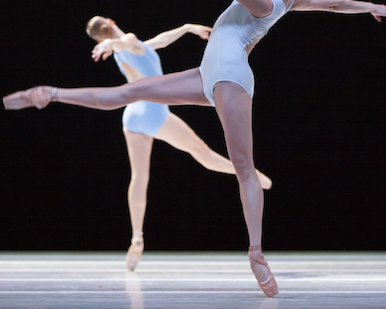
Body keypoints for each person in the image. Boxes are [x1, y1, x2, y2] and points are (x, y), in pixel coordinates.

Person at [4, 0, 386, 297]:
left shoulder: (268, 2)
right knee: (128, 93)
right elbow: (335, 4)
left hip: (230, 77)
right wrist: (370, 7)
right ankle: (49, 94)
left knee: (243, 167)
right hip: (206, 75)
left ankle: (256, 253)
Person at [84, 16, 272, 271]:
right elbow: (128, 39)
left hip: (132, 116)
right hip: (153, 113)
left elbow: (158, 41)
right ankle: (251, 175)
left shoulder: (133, 48)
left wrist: (185, 28)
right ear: (110, 21)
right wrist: (114, 43)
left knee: (139, 177)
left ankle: (137, 237)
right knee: (202, 152)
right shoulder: (128, 42)